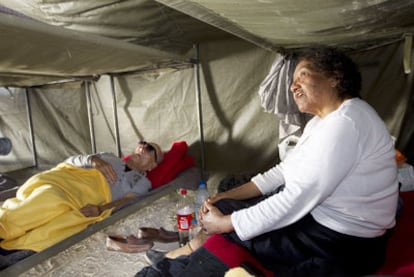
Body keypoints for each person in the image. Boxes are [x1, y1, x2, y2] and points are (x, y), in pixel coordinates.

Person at [140, 47, 399, 276]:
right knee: (229, 204)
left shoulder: (347, 122)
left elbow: (297, 197)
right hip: (325, 224)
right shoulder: (324, 121)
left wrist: (227, 223)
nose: (293, 85)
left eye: (303, 75)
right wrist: (227, 197)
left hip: (344, 242)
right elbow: (284, 171)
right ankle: (183, 254)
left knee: (235, 227)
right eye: (293, 79)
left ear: (334, 77)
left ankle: (168, 270)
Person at [0, 141, 163, 253]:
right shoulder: (110, 156)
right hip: (67, 180)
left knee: (66, 216)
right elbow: (70, 162)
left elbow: (127, 201)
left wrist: (101, 209)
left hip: (92, 197)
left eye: (149, 148)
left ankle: (13, 243)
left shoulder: (142, 182)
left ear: (153, 165)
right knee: (49, 195)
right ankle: (4, 226)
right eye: (141, 143)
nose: (142, 147)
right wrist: (93, 161)